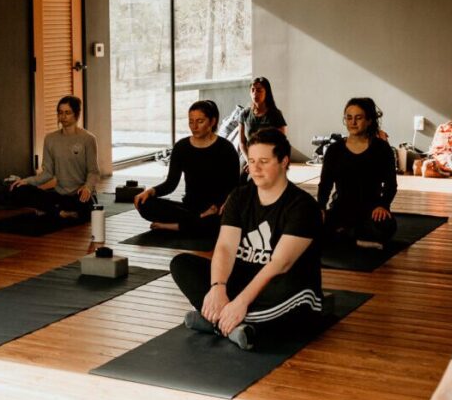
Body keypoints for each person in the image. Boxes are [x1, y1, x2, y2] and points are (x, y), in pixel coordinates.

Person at [170, 128, 322, 350]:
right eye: (251, 161)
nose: (255, 168)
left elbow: (280, 264)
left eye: (264, 161)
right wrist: (218, 287)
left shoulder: (303, 206)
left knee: (293, 287)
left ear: (284, 162)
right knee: (182, 264)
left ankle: (218, 321)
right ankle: (237, 324)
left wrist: (241, 302)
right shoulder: (239, 197)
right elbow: (225, 247)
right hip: (242, 279)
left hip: (279, 282)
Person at [133, 100, 239, 237]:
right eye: (191, 122)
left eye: (200, 121)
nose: (194, 127)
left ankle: (176, 226)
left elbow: (234, 187)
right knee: (145, 204)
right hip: (189, 208)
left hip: (216, 208)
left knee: (226, 221)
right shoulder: (181, 147)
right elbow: (170, 184)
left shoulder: (226, 148)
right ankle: (198, 220)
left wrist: (225, 204)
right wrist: (150, 192)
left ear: (212, 122)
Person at [317, 97, 398, 248]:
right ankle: (355, 238)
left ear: (369, 120)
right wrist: (320, 207)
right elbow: (325, 184)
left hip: (371, 211)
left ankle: (344, 235)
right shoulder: (335, 150)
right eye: (349, 118)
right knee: (309, 223)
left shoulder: (382, 149)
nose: (353, 122)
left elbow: (391, 185)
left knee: (386, 226)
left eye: (358, 118)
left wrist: (383, 205)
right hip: (341, 210)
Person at [8, 95, 99, 220]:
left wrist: (87, 188)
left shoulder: (88, 139)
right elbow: (48, 173)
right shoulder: (50, 139)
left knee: (85, 206)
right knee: (19, 190)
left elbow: (94, 172)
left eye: (67, 113)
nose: (63, 116)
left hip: (80, 195)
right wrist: (26, 181)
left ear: (76, 114)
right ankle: (60, 212)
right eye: (60, 112)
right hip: (59, 194)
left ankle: (53, 211)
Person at [238, 77, 288, 179]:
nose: (255, 93)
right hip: (249, 155)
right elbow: (242, 143)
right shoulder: (244, 114)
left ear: (267, 93)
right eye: (252, 90)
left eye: (259, 90)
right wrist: (249, 161)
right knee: (239, 178)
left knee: (256, 178)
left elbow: (280, 142)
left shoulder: (275, 114)